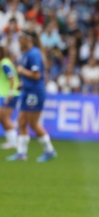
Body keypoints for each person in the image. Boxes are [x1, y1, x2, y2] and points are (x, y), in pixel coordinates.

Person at [6, 30, 56, 162]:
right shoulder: (26, 54)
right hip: (27, 91)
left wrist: (22, 71)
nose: (19, 41)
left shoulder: (34, 54)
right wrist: (23, 84)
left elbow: (37, 75)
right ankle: (21, 153)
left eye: (21, 38)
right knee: (21, 121)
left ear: (28, 39)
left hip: (35, 92)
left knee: (33, 123)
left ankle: (49, 150)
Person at [0, 46, 20, 149]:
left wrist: (11, 92)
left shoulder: (4, 63)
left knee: (4, 117)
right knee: (3, 118)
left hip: (9, 94)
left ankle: (14, 142)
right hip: (7, 93)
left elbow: (11, 77)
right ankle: (11, 141)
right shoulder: (6, 61)